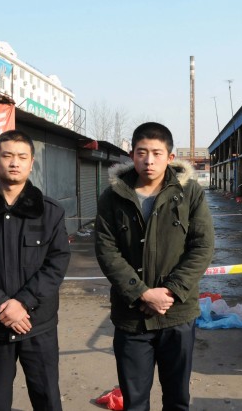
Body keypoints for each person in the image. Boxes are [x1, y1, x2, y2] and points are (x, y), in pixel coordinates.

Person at [95, 122, 214, 411]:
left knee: (177, 398)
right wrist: (142, 294)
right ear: (131, 154)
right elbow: (106, 250)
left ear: (170, 157)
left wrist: (169, 292)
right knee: (134, 401)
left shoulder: (190, 194)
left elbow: (202, 247)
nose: (149, 161)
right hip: (132, 317)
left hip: (177, 315)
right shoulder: (113, 197)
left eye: (157, 153)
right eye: (142, 152)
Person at [0, 129, 71, 411]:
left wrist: (23, 304)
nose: (14, 163)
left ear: (32, 163)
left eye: (22, 157)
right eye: (7, 156)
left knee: (47, 397)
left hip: (37, 324)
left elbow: (56, 263)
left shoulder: (50, 213)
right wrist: (3, 307)